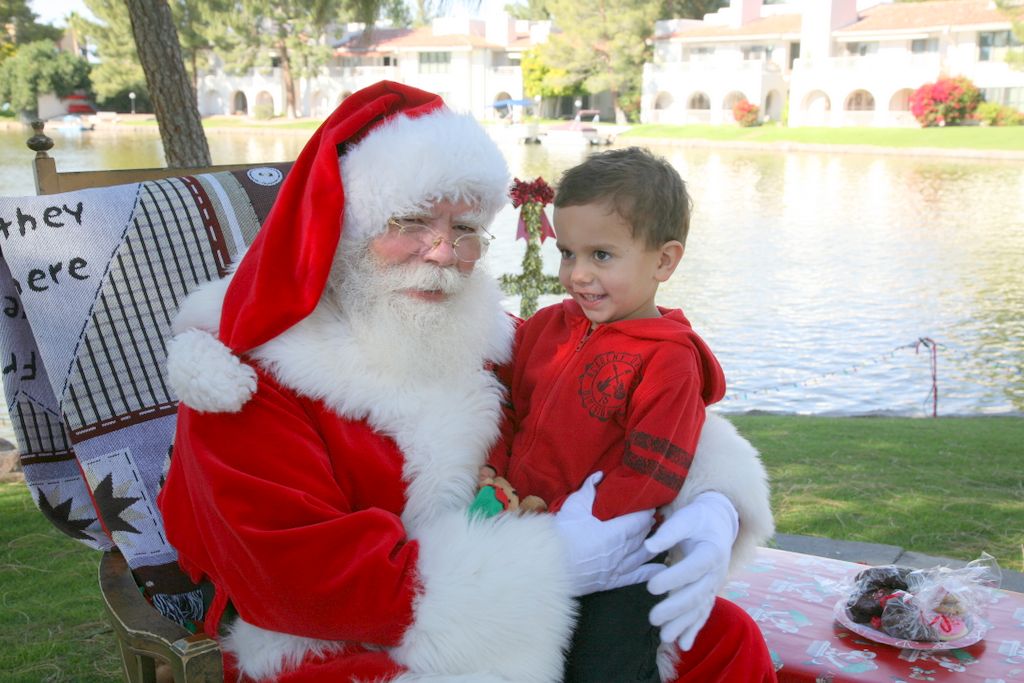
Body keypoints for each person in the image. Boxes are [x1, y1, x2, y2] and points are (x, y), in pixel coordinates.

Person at [158, 80, 776, 682]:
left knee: (725, 643)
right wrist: (550, 565)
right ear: (344, 225)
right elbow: (294, 581)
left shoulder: (484, 332)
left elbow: (603, 403)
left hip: (518, 597)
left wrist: (712, 498)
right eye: (410, 222)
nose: (443, 253)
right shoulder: (248, 371)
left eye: (464, 232)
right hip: (340, 638)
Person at [485, 147, 739, 682]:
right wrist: (496, 474)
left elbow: (652, 469)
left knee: (603, 671)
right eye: (568, 253)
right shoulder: (548, 327)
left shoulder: (669, 360)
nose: (578, 275)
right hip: (520, 528)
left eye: (602, 255)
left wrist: (586, 532)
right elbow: (505, 404)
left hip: (614, 561)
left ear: (664, 261)